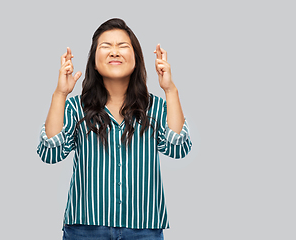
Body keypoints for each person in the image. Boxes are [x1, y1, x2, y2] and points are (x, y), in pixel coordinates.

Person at [37, 18, 192, 240]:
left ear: (136, 59)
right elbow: (49, 153)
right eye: (106, 46)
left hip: (144, 227)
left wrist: (170, 90)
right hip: (85, 228)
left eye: (122, 46)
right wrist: (60, 94)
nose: (114, 52)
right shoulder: (75, 107)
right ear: (94, 61)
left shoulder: (155, 107)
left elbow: (179, 148)